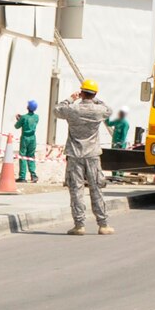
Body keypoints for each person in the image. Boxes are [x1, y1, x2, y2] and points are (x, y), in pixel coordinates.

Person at [54, 80, 114, 235]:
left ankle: (79, 225)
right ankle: (103, 225)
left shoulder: (72, 109)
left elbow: (57, 109)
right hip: (93, 155)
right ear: (94, 94)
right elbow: (109, 109)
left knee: (76, 190)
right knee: (96, 189)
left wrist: (71, 98)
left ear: (81, 93)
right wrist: (96, 99)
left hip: (75, 155)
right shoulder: (99, 110)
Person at [14, 101, 40, 183]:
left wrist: (19, 119)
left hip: (25, 138)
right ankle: (33, 175)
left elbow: (16, 126)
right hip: (33, 138)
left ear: (28, 107)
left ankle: (22, 177)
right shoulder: (36, 117)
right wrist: (22, 118)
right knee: (31, 156)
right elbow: (30, 120)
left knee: (23, 156)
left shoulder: (24, 118)